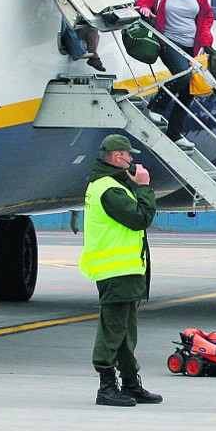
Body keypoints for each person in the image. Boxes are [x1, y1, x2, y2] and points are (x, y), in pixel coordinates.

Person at [79, 134, 162, 407]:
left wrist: (132, 182)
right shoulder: (109, 190)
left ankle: (129, 382)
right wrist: (144, 187)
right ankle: (106, 385)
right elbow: (140, 218)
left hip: (125, 269)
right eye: (128, 155)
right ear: (117, 157)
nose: (132, 160)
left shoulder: (112, 184)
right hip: (115, 270)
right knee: (113, 329)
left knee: (127, 330)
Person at [135, 0, 214, 148]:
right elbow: (142, 2)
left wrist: (206, 39)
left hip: (192, 44)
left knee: (190, 90)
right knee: (183, 76)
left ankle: (175, 133)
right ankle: (156, 106)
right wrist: (144, 8)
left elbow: (207, 15)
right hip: (168, 41)